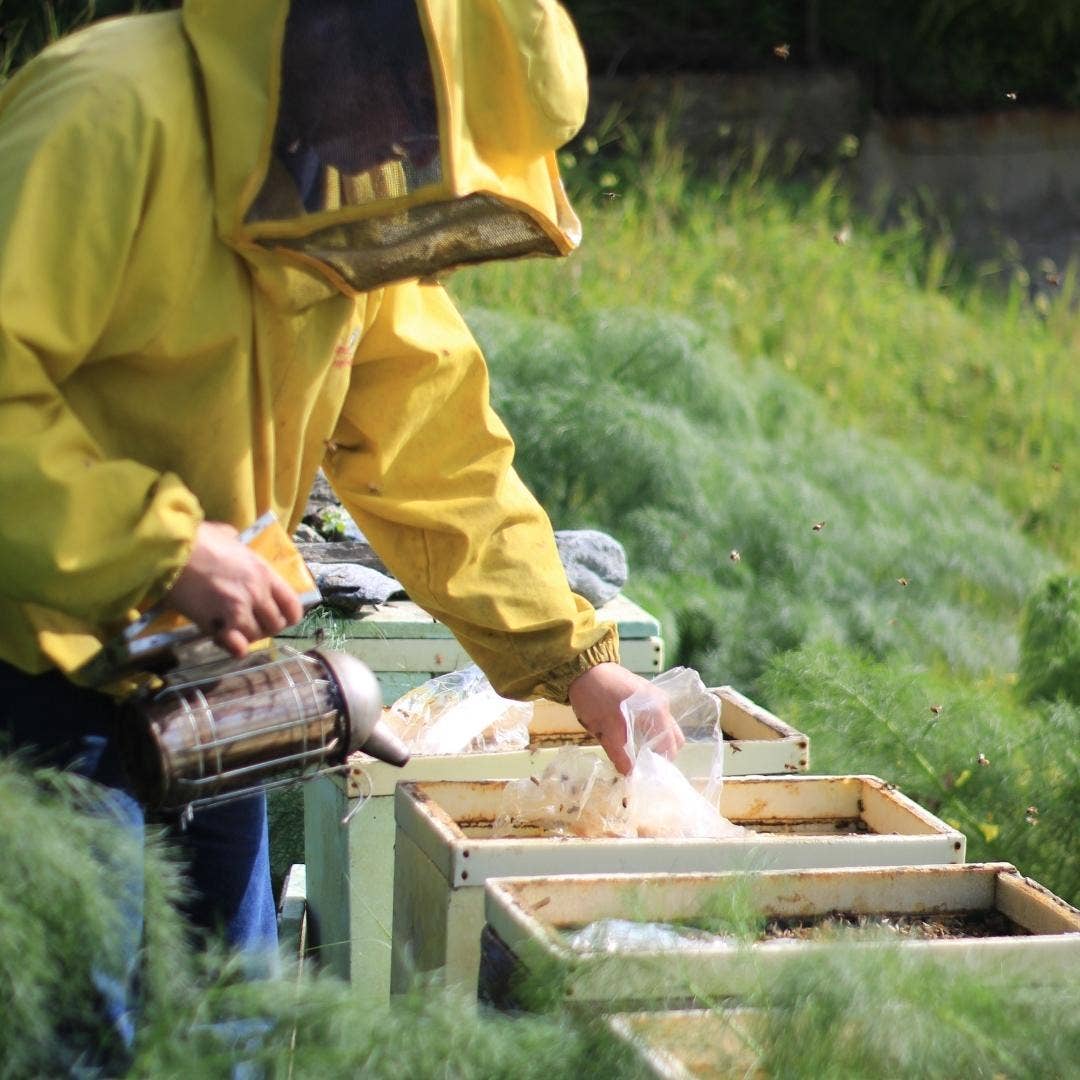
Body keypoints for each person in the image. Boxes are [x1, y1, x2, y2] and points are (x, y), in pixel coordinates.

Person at [0, 0, 683, 1067]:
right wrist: (164, 548)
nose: (406, 146)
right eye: (412, 106)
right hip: (32, 673)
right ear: (360, 40)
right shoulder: (110, 111)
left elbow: (433, 449)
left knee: (235, 1024)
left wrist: (573, 658)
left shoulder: (353, 184)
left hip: (208, 678)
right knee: (73, 1041)